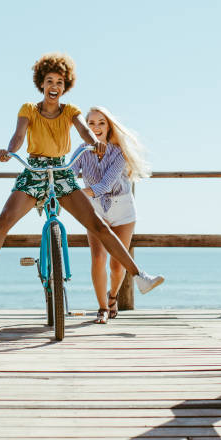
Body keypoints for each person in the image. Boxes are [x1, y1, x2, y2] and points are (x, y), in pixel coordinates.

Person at [0, 53, 164, 301]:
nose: (54, 87)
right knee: (4, 219)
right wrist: (10, 151)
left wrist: (94, 143)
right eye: (50, 81)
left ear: (65, 87)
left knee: (97, 225)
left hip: (61, 172)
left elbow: (84, 130)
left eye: (59, 83)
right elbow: (19, 136)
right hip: (34, 171)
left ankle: (140, 276)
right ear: (41, 84)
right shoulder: (29, 109)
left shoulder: (70, 111)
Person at [72, 106, 155, 324]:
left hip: (122, 209)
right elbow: (69, 175)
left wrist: (76, 193)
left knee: (117, 265)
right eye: (91, 123)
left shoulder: (119, 152)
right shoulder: (81, 150)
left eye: (101, 123)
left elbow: (105, 185)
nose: (96, 127)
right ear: (85, 127)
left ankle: (113, 296)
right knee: (98, 258)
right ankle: (102, 308)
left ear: (108, 126)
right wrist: (63, 185)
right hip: (96, 209)